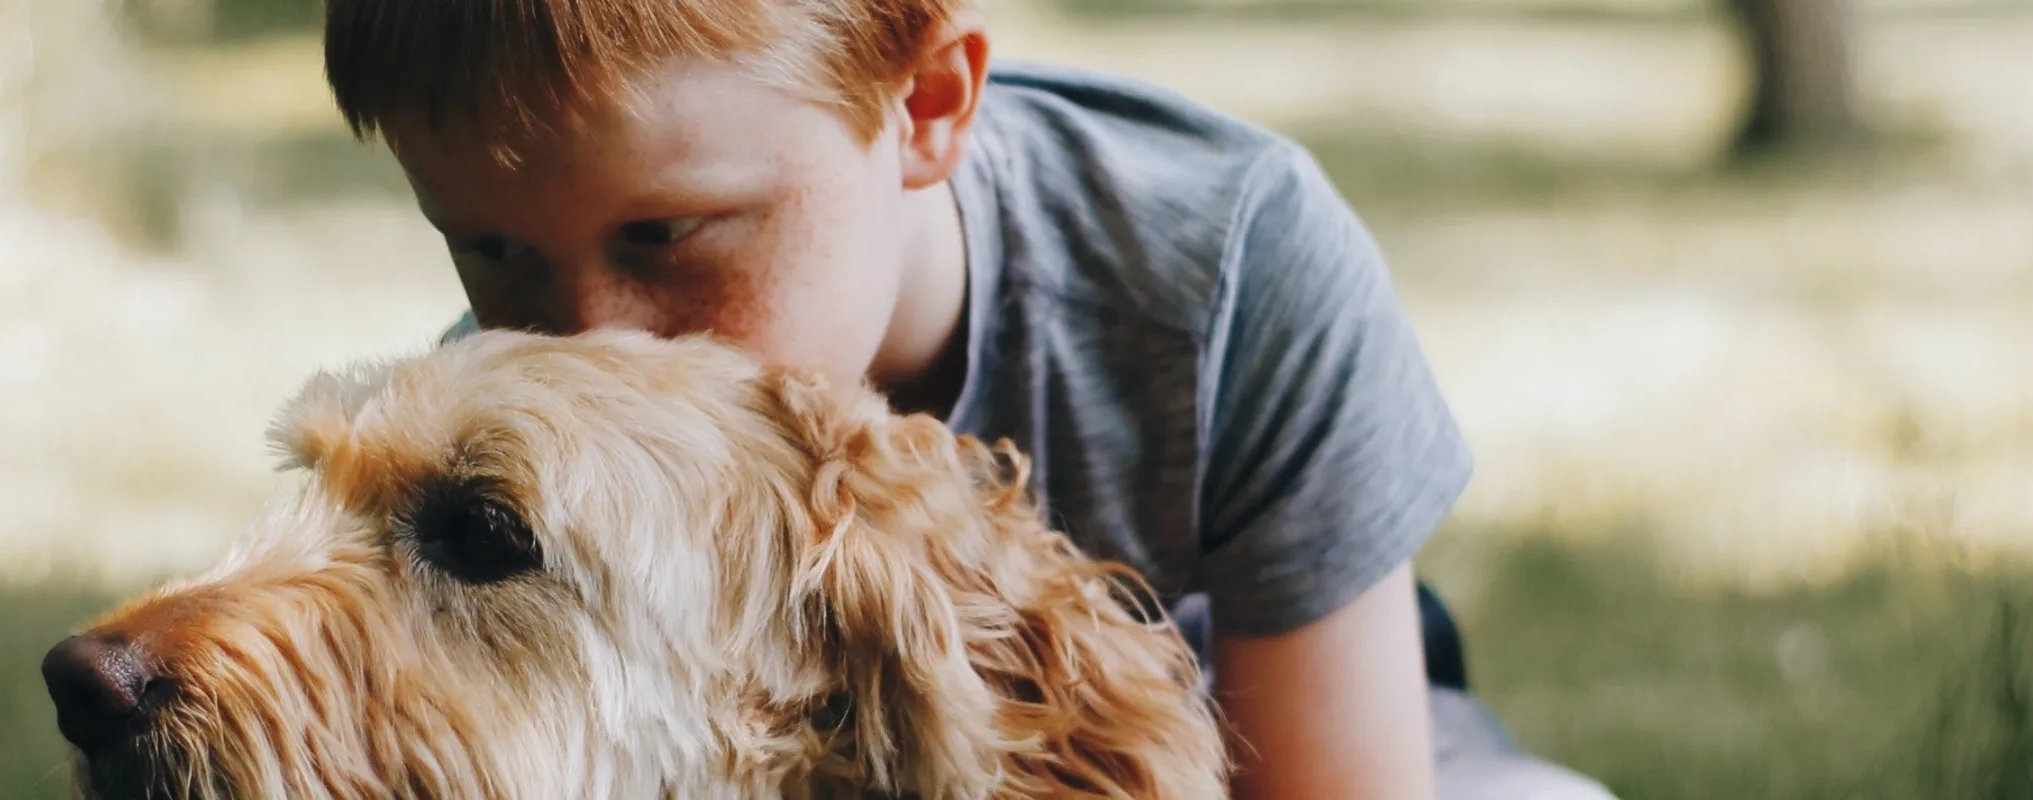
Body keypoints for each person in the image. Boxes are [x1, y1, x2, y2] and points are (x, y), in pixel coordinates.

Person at [319, 0, 1615, 796]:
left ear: (929, 105)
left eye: (668, 236)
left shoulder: (1228, 274)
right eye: (493, 252)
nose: (584, 341)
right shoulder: (514, 439)